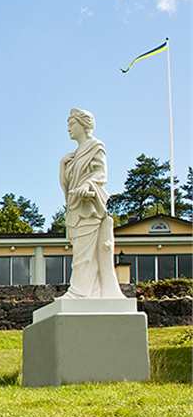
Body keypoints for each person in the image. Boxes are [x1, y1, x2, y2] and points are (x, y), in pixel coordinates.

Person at [57, 108, 124, 299]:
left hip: (89, 208)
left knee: (85, 255)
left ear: (83, 125)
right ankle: (88, 290)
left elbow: (101, 174)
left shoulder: (96, 147)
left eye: (72, 124)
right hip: (75, 208)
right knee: (80, 253)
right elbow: (67, 186)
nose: (68, 128)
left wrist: (87, 186)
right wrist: (62, 165)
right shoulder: (72, 156)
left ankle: (81, 292)